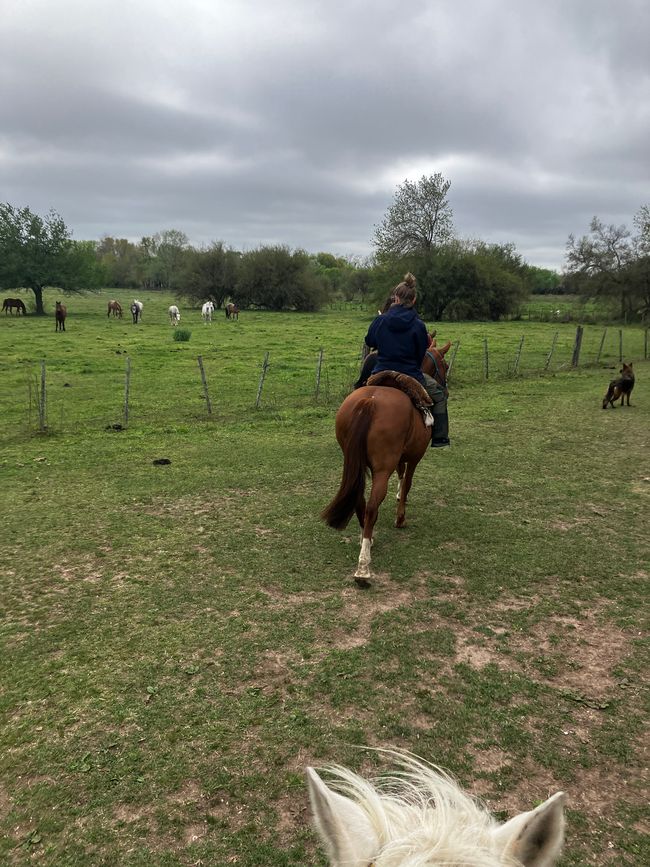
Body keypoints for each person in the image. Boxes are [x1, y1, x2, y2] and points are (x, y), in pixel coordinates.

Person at [361, 272, 450, 448]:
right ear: (414, 299)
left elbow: (369, 341)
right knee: (440, 395)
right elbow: (420, 354)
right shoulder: (418, 325)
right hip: (410, 373)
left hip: (380, 372)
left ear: (395, 298)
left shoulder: (381, 320)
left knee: (359, 391)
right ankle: (440, 438)